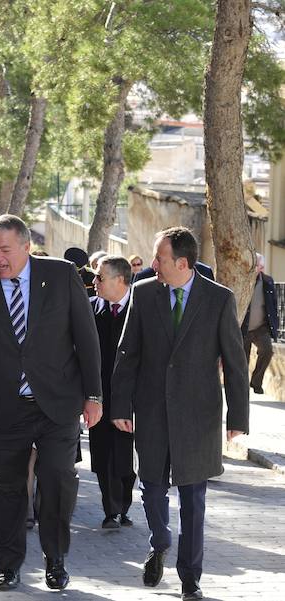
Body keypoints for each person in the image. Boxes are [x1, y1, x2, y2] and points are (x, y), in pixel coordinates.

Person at [0, 215, 102, 592]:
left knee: (58, 479)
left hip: (56, 402)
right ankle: (8, 564)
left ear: (26, 246)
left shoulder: (60, 275)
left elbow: (86, 338)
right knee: (7, 487)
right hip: (2, 406)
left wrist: (93, 396)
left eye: (5, 250)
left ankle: (55, 558)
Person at [111, 227, 249, 601]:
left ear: (182, 263)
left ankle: (191, 579)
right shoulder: (143, 292)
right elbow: (128, 353)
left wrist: (238, 418)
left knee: (193, 500)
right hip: (152, 411)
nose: (153, 264)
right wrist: (120, 406)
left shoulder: (219, 299)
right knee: (152, 488)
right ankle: (160, 541)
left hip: (198, 416)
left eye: (160, 258)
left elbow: (236, 362)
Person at [90, 255, 136, 529]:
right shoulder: (91, 309)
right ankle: (111, 509)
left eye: (100, 277)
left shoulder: (140, 307)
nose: (94, 282)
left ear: (120, 280)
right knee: (103, 454)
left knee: (126, 456)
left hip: (132, 398)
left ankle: (124, 504)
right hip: (99, 396)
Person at [242, 252, 278, 394]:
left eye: (262, 266)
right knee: (242, 359)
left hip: (260, 328)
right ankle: (242, 386)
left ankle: (256, 382)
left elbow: (273, 304)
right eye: (258, 266)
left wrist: (273, 326)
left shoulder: (268, 281)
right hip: (243, 327)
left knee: (267, 351)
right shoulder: (244, 281)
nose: (260, 269)